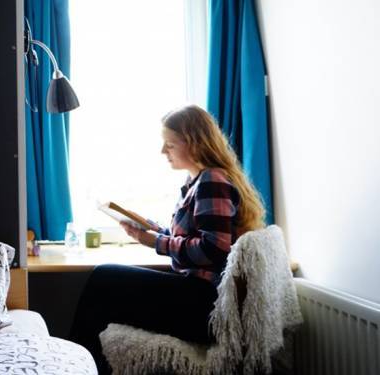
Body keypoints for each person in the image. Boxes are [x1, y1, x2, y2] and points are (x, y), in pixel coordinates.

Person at [69, 105, 266, 374]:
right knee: (104, 292)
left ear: (194, 143)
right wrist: (147, 230)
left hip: (202, 306)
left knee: (103, 280)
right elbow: (193, 238)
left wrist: (157, 243)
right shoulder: (196, 181)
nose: (164, 152)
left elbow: (215, 249)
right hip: (195, 296)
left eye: (170, 145)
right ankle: (80, 366)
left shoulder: (212, 180)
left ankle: (72, 366)